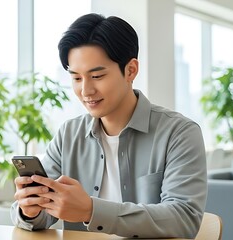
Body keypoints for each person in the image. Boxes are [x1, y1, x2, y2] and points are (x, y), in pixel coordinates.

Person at [11, 13, 207, 239]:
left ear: (131, 70)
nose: (86, 91)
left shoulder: (179, 133)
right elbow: (42, 215)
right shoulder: (69, 135)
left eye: (97, 76)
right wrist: (30, 211)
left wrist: (91, 211)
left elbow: (184, 218)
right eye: (76, 78)